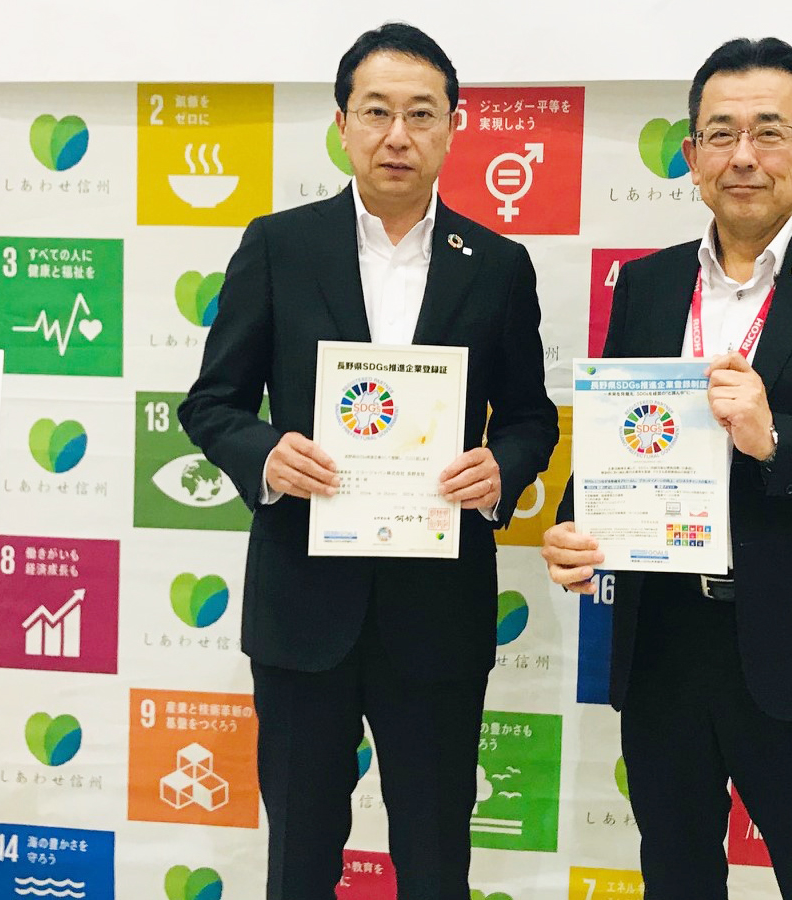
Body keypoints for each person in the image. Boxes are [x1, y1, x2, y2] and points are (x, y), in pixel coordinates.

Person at [542, 36, 792, 900]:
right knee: (675, 875)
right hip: (665, 643)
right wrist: (576, 525)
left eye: (770, 131)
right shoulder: (647, 285)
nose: (744, 156)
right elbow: (623, 440)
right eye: (721, 134)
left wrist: (776, 439)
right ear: (692, 155)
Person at [178, 23, 558, 900]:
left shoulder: (498, 265)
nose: (398, 135)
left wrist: (502, 469)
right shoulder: (279, 245)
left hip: (439, 613)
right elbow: (211, 403)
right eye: (377, 111)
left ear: (453, 126)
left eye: (421, 114)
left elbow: (530, 417)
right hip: (304, 607)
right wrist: (266, 455)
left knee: (436, 859)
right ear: (342, 124)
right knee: (299, 858)